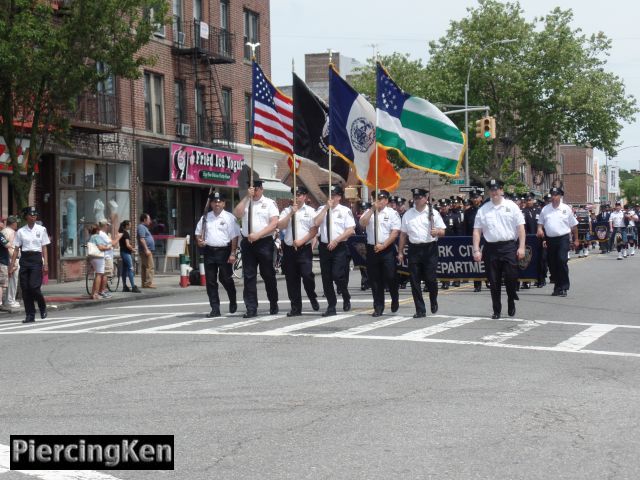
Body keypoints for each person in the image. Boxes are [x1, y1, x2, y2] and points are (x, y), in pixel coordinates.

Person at [472, 179, 526, 319]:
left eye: (497, 189)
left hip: (509, 246)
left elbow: (520, 228)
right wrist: (476, 249)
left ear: (502, 190)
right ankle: (496, 309)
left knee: (511, 277)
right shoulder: (483, 209)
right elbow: (477, 231)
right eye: (492, 190)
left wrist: (521, 247)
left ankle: (511, 299)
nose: (494, 192)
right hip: (491, 248)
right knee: (493, 281)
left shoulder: (512, 206)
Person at [233, 179, 279, 318]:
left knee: (268, 274)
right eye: (253, 188)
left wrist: (258, 235)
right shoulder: (246, 202)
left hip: (264, 242)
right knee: (249, 276)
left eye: (258, 188)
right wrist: (247, 197)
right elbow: (237, 213)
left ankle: (273, 302)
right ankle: (251, 307)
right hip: (248, 243)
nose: (256, 190)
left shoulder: (269, 203)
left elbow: (274, 223)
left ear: (262, 189)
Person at [398, 188, 446, 318]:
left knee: (431, 279)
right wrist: (400, 251)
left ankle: (433, 299)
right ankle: (420, 309)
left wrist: (437, 232)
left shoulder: (433, 213)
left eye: (420, 197)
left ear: (426, 198)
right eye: (415, 197)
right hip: (414, 249)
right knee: (414, 280)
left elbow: (443, 231)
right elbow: (403, 234)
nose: (417, 199)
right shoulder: (408, 214)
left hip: (430, 248)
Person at [277, 185, 320, 317]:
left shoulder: (311, 211)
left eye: (299, 194)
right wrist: (291, 213)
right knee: (291, 279)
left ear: (305, 196)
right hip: (289, 250)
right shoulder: (286, 211)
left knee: (307, 276)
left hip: (303, 249)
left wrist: (302, 241)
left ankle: (312, 295)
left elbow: (314, 230)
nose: (297, 197)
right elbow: (280, 225)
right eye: (295, 194)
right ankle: (296, 307)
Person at [314, 185, 355, 317]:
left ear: (339, 197)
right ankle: (331, 305)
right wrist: (326, 207)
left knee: (337, 275)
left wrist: (336, 240)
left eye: (334, 194)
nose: (331, 196)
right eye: (329, 194)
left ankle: (345, 294)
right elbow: (316, 222)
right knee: (326, 278)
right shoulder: (322, 209)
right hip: (325, 247)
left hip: (339, 247)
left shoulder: (344, 210)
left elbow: (350, 230)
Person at [196, 191, 240, 317]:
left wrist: (233, 253)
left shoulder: (229, 218)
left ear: (224, 204)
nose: (217, 204)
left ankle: (232, 297)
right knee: (210, 281)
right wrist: (199, 241)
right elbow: (198, 234)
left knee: (225, 278)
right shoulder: (205, 218)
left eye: (219, 202)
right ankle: (215, 308)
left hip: (224, 251)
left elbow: (234, 237)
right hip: (209, 251)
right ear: (211, 204)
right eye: (215, 202)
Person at [359, 189, 401, 317]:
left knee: (390, 276)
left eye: (381, 198)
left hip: (386, 248)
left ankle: (395, 297)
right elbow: (362, 224)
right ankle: (378, 306)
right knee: (375, 279)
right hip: (372, 249)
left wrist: (383, 245)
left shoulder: (392, 213)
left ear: (386, 200)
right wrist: (372, 210)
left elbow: (395, 233)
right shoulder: (369, 212)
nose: (378, 201)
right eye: (375, 198)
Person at [8, 207, 50, 323]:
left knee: (34, 287)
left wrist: (46, 263)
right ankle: (30, 315)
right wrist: (11, 266)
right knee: (25, 289)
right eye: (31, 215)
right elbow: (16, 249)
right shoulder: (21, 231)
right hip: (25, 259)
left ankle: (42, 306)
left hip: (36, 259)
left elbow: (44, 247)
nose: (33, 217)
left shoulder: (42, 229)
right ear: (26, 217)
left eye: (35, 215)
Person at [537, 187, 579, 297]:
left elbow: (574, 226)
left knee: (561, 260)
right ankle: (557, 286)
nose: (554, 197)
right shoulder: (545, 209)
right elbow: (540, 223)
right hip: (550, 239)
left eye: (556, 195)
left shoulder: (566, 209)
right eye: (552, 195)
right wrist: (540, 229)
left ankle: (564, 287)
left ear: (560, 196)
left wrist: (576, 239)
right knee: (552, 264)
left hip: (563, 238)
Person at [463, 189, 483, 292]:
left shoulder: (486, 209)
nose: (475, 199)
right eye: (473, 197)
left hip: (486, 239)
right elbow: (466, 228)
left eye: (476, 197)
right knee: (476, 262)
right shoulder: (468, 212)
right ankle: (477, 284)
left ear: (480, 198)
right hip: (473, 239)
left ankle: (490, 281)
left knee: (488, 262)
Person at [87, 224, 112, 300]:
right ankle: (96, 294)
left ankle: (93, 293)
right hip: (98, 258)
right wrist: (108, 248)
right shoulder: (96, 237)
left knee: (97, 275)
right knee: (99, 275)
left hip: (92, 258)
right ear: (97, 230)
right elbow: (101, 247)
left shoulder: (91, 237)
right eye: (99, 230)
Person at [1, 216, 20, 309]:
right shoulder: (10, 232)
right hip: (12, 258)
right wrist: (13, 260)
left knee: (10, 281)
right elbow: (9, 247)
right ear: (13, 223)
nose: (17, 224)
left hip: (9, 258)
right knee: (12, 280)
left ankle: (9, 299)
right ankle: (10, 300)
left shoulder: (4, 231)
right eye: (16, 222)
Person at [98, 220, 120, 298]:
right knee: (105, 275)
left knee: (102, 274)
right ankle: (102, 291)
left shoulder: (101, 234)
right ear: (104, 225)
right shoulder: (103, 234)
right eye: (107, 225)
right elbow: (113, 244)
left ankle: (101, 290)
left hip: (105, 256)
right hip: (107, 257)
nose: (108, 227)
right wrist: (118, 237)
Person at [118, 220, 141, 293]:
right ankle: (133, 286)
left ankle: (125, 286)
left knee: (124, 270)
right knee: (130, 269)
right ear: (126, 226)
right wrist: (133, 249)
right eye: (130, 225)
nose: (130, 226)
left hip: (122, 252)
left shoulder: (121, 233)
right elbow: (127, 245)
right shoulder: (126, 233)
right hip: (126, 253)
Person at [137, 213, 156, 288]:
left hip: (146, 250)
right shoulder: (141, 227)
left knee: (145, 267)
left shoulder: (143, 227)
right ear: (144, 219)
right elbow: (142, 239)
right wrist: (146, 249)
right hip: (146, 250)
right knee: (150, 267)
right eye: (149, 219)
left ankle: (144, 283)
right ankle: (148, 283)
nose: (150, 221)